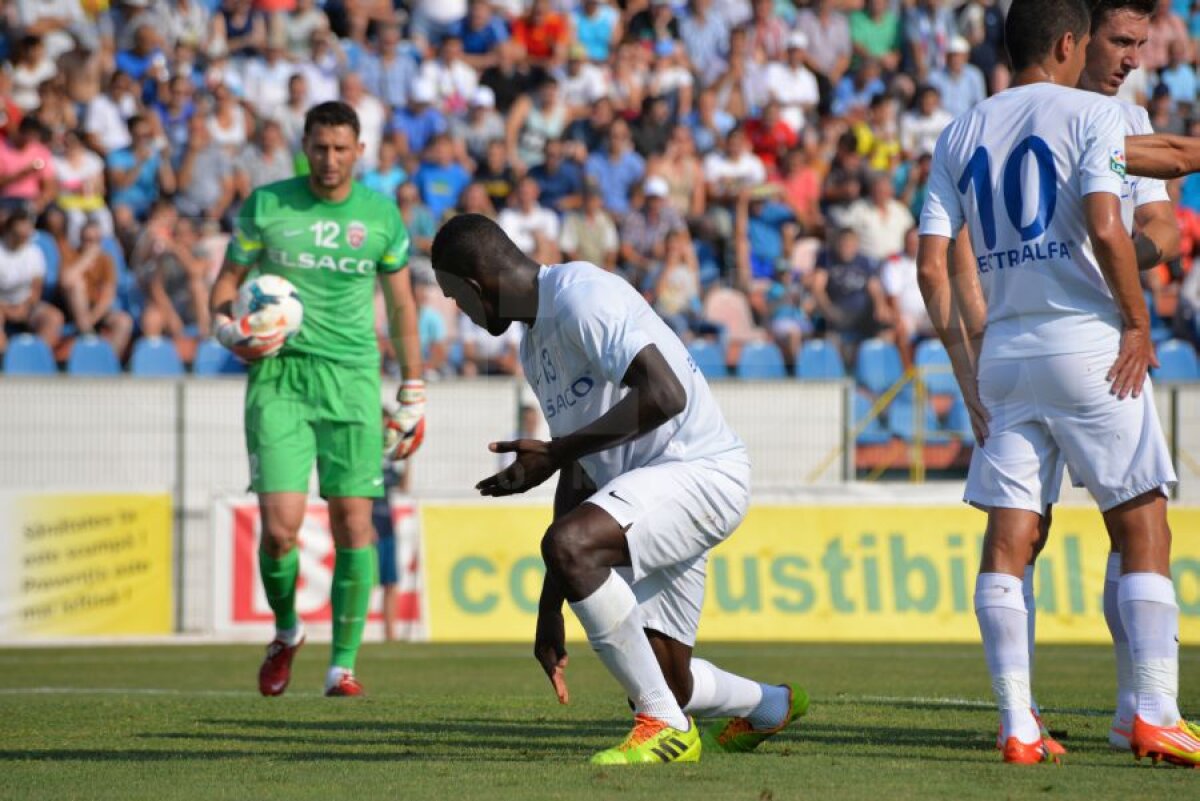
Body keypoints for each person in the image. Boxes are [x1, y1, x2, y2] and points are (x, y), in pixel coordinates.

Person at [917, 0, 1198, 766]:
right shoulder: (1094, 115)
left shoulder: (959, 129)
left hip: (1006, 353)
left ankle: (1018, 725)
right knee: (1143, 523)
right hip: (1088, 342)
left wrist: (968, 371)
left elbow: (931, 265)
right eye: (1119, 41)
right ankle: (1156, 711)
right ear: (1073, 41)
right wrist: (1137, 323)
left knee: (1010, 538)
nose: (1131, 56)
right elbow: (1110, 226)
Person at [430, 213, 806, 764]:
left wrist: (555, 455)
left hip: (699, 472)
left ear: (476, 284)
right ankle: (771, 705)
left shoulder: (581, 296)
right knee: (665, 681)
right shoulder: (537, 347)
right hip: (650, 493)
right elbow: (581, 471)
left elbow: (664, 393)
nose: (456, 308)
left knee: (574, 548)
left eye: (454, 295)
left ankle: (664, 730)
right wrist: (549, 606)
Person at [209, 101, 426, 698]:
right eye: (319, 147)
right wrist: (228, 327)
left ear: (359, 151)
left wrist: (413, 386)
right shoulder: (268, 204)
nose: (329, 159)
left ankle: (344, 665)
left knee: (354, 522)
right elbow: (227, 283)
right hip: (279, 380)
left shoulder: (381, 217)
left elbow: (404, 305)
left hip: (353, 382)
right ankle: (286, 632)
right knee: (280, 529)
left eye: (340, 148)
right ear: (304, 147)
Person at [0, 208, 63, 360]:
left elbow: (36, 289)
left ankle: (36, 359)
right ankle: (6, 359)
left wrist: (25, 307)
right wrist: (6, 309)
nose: (27, 231)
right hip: (1, 305)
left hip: (26, 305)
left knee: (53, 317)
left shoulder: (34, 253)